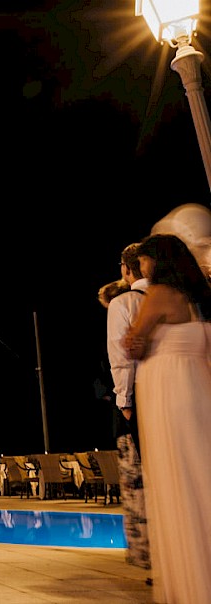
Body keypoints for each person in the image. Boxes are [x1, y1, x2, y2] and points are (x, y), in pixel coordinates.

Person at [122, 233, 211, 601]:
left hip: (168, 390)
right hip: (199, 387)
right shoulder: (200, 298)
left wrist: (133, 336)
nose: (142, 268)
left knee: (177, 477)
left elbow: (133, 344)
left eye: (144, 261)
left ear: (157, 261)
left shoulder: (158, 295)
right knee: (201, 472)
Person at [105, 242, 151, 572]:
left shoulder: (126, 302)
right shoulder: (184, 297)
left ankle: (147, 553)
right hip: (176, 396)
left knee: (138, 480)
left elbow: (121, 358)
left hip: (138, 399)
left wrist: (124, 404)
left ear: (126, 269)